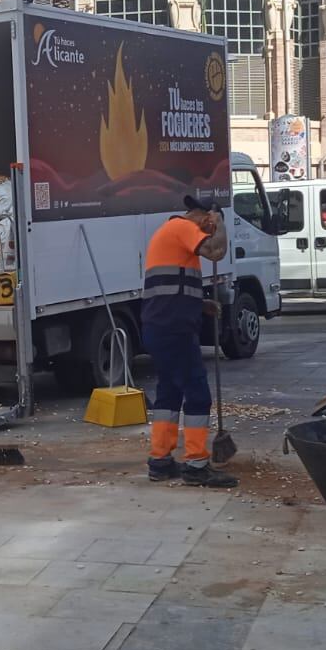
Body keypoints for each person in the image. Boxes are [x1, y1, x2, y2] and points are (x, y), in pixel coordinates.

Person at [142, 196, 234, 486]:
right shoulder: (182, 228)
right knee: (197, 392)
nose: (209, 229)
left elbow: (172, 285)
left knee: (169, 393)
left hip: (162, 325)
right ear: (204, 216)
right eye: (209, 222)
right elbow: (217, 251)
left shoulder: (172, 233)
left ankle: (160, 460)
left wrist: (201, 303)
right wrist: (220, 225)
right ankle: (196, 465)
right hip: (174, 328)